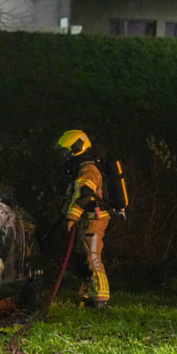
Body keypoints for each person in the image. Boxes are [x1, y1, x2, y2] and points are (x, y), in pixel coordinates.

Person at [56, 130, 110, 309]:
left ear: (76, 148)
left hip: (95, 218)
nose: (64, 157)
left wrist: (72, 216)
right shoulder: (82, 167)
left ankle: (100, 299)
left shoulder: (88, 169)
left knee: (92, 256)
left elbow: (85, 194)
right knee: (83, 256)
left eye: (66, 151)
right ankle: (89, 292)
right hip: (88, 218)